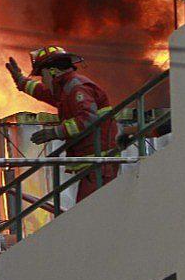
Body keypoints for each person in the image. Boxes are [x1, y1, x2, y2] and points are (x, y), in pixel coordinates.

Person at [7, 45, 119, 201]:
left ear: (53, 71)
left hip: (100, 161)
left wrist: (55, 132)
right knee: (91, 208)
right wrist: (21, 81)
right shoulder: (67, 89)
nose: (43, 80)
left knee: (89, 209)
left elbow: (88, 119)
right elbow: (44, 93)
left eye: (42, 75)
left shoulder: (77, 88)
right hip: (95, 160)